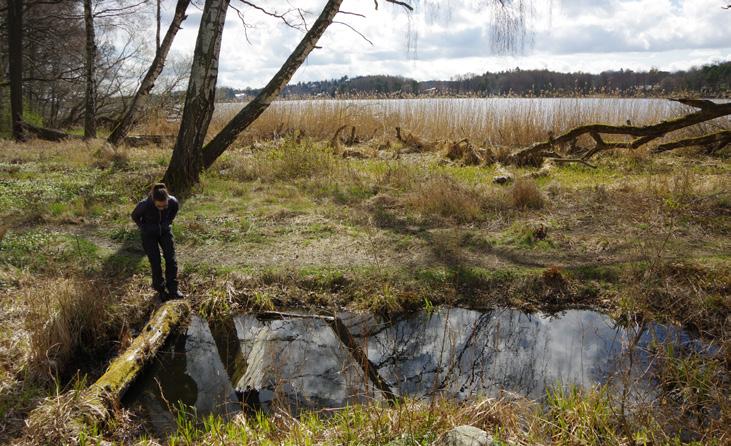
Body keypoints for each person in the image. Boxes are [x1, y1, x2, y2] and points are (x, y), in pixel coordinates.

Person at [131, 183, 182, 300]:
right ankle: (160, 290)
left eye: (164, 206)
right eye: (159, 206)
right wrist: (144, 227)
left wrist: (167, 222)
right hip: (149, 235)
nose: (162, 208)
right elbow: (134, 216)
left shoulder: (173, 201)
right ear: (154, 201)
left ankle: (173, 289)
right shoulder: (144, 205)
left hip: (165, 232)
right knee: (155, 262)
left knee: (171, 259)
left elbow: (174, 210)